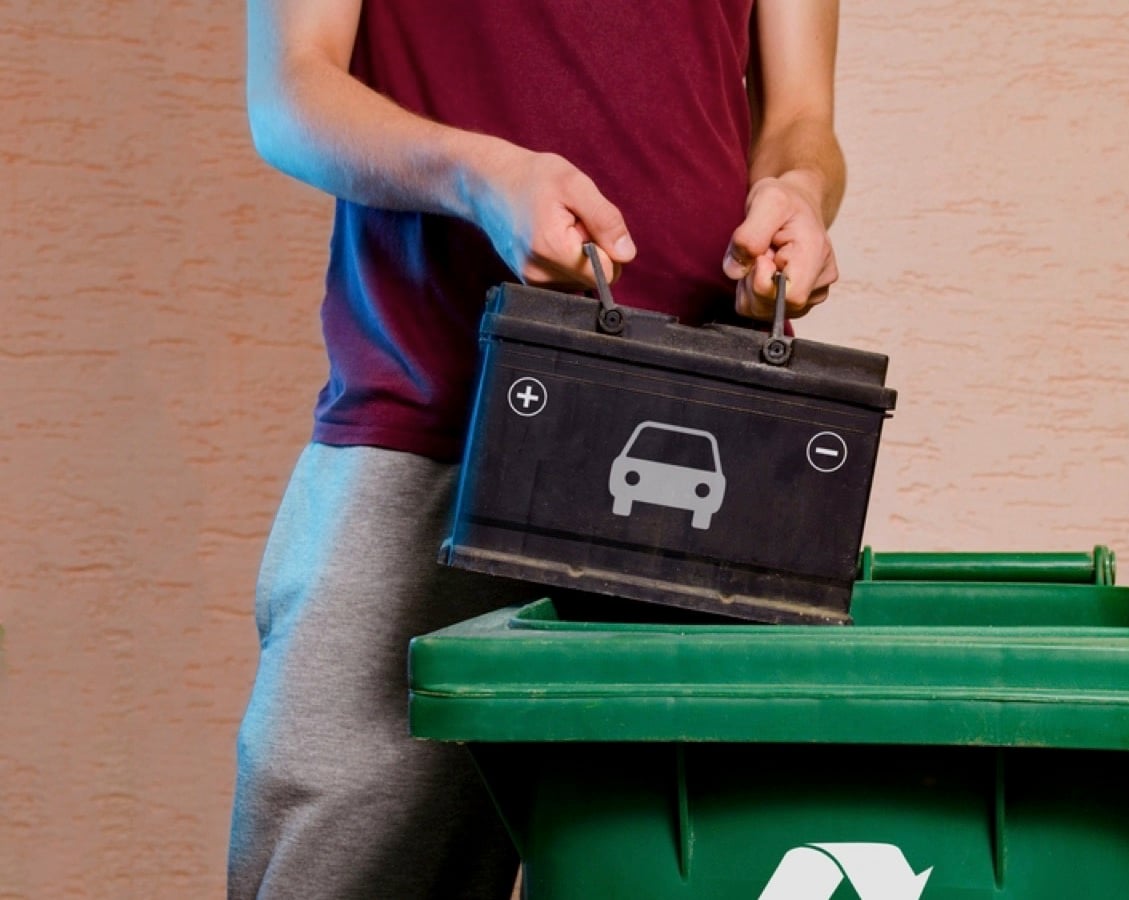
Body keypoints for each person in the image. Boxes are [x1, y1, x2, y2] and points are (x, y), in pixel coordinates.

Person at [227, 1, 846, 896]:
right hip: (430, 434)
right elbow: (290, 88)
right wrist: (480, 176)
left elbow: (801, 120)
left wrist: (797, 193)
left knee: (700, 870)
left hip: (707, 452)